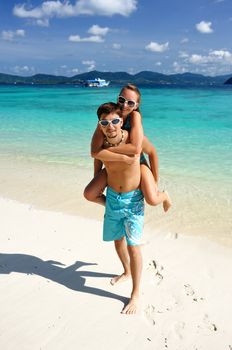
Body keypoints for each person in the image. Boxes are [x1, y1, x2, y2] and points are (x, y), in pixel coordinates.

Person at [84, 83, 171, 212]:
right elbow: (95, 153)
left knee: (152, 199)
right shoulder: (106, 121)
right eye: (121, 100)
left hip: (138, 162)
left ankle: (165, 196)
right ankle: (113, 207)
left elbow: (142, 150)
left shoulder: (135, 117)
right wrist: (96, 176)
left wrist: (155, 181)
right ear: (117, 99)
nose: (124, 105)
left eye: (130, 103)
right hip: (114, 164)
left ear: (136, 106)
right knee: (90, 194)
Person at [96, 102, 145, 314]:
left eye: (115, 121)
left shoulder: (132, 139)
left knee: (133, 246)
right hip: (114, 198)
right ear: (100, 125)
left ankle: (135, 294)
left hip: (134, 200)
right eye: (105, 123)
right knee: (118, 241)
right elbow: (96, 157)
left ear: (122, 121)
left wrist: (153, 181)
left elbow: (149, 152)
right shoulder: (102, 145)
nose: (111, 126)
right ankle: (126, 272)